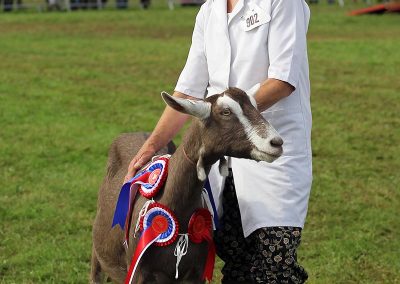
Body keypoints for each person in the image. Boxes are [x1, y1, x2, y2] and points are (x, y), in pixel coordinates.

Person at [125, 0, 312, 282]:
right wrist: (152, 144)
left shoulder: (283, 2)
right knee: (236, 262)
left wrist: (229, 114)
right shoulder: (209, 10)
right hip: (220, 162)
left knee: (275, 264)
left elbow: (282, 79)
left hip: (273, 154)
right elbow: (188, 91)